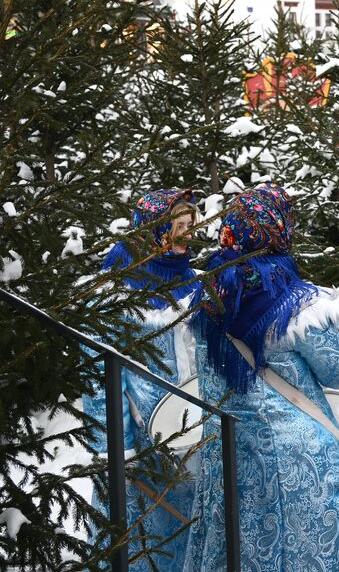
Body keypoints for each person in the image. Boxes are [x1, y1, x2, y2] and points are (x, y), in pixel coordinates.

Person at [181, 184, 339, 572]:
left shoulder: (208, 294)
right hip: (299, 462)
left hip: (229, 455)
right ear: (280, 230)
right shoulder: (297, 304)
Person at [83, 188, 202, 570]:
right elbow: (99, 375)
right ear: (152, 229)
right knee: (139, 541)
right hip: (141, 441)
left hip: (190, 434)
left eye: (190, 225)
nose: (186, 235)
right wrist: (118, 449)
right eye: (177, 226)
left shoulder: (192, 281)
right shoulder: (115, 290)